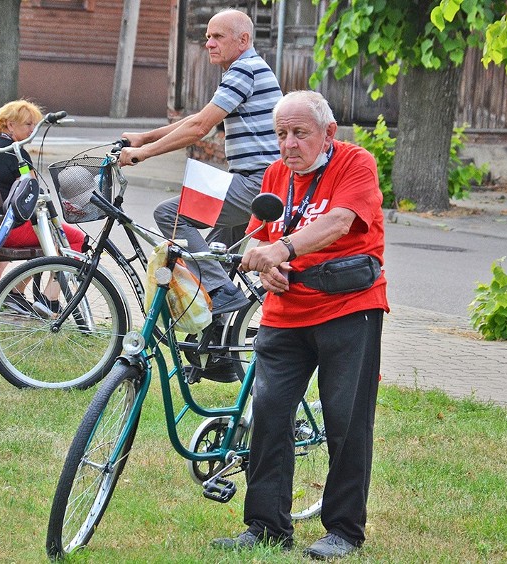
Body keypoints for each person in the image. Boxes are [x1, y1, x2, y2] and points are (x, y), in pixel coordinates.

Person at [212, 90, 389, 559]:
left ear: (328, 133)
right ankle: (267, 526)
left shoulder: (355, 163)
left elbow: (338, 221)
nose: (288, 144)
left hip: (348, 307)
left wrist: (284, 250)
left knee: (346, 421)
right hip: (285, 312)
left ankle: (344, 531)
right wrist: (266, 265)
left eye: (299, 133)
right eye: (281, 134)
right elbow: (263, 236)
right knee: (269, 415)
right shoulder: (277, 175)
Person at [118, 8, 282, 318]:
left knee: (170, 214)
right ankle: (218, 341)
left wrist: (145, 154)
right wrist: (145, 138)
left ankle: (222, 292)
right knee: (211, 260)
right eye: (207, 37)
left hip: (256, 183)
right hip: (258, 181)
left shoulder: (243, 70)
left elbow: (198, 129)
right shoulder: (246, 68)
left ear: (243, 39)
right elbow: (198, 118)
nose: (209, 43)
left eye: (218, 36)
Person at [0, 99, 85, 316]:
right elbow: (34, 194)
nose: (33, 130)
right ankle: (50, 298)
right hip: (8, 232)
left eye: (34, 124)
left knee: (43, 235)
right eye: (28, 124)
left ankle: (12, 292)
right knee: (74, 238)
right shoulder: (16, 154)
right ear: (10, 125)